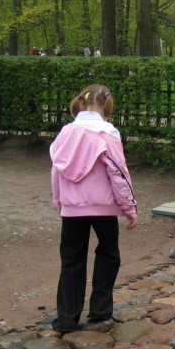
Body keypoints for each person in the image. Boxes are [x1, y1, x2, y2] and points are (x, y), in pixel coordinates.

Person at [49, 84, 138, 333]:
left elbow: (56, 170)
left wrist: (60, 201)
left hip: (72, 207)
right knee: (109, 254)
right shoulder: (109, 133)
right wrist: (129, 207)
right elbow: (119, 174)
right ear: (107, 106)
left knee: (71, 259)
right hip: (104, 207)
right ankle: (100, 312)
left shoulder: (66, 133)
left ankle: (66, 319)